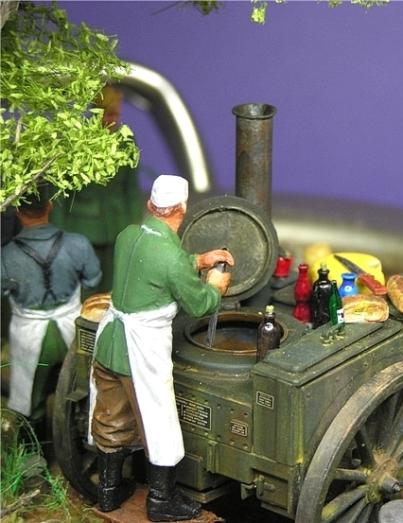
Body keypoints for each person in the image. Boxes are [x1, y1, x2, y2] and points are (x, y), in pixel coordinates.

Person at [89, 175, 233, 521]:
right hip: (141, 351)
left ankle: (109, 491)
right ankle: (161, 500)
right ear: (182, 208)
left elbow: (157, 267)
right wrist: (216, 284)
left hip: (110, 344)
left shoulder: (128, 235)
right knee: (160, 422)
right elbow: (199, 303)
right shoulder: (170, 258)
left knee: (112, 417)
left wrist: (198, 260)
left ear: (151, 206)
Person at [1, 185, 101, 436]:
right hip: (72, 332)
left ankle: (35, 451)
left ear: (18, 212)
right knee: (81, 388)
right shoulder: (77, 243)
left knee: (30, 401)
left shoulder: (7, 254)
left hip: (30, 336)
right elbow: (93, 279)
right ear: (50, 206)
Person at [51, 84, 144, 292]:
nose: (112, 120)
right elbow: (61, 192)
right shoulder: (76, 139)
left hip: (117, 226)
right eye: (108, 114)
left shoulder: (126, 140)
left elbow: (131, 189)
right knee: (84, 288)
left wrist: (135, 226)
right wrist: (58, 231)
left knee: (113, 287)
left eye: (116, 115)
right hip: (81, 228)